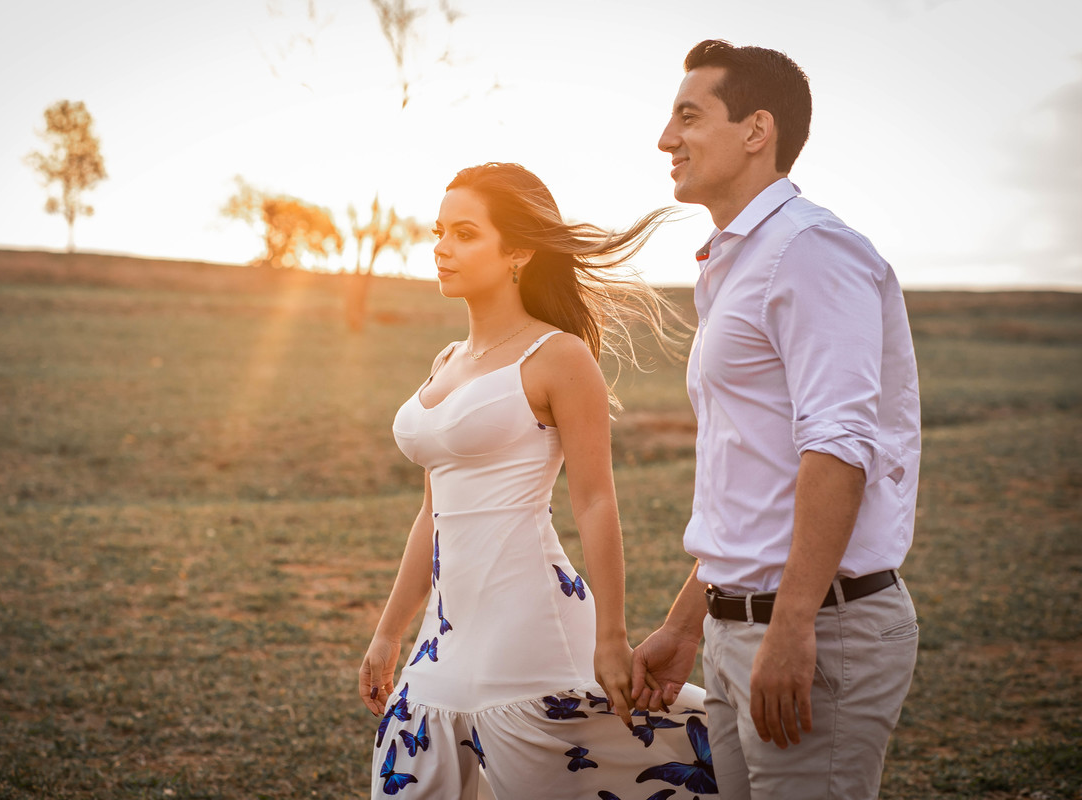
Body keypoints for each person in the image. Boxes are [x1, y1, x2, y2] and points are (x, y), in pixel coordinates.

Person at [360, 162, 720, 799]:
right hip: (443, 635)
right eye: (439, 230)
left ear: (519, 250)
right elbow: (433, 513)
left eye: (465, 233)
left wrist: (611, 634)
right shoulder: (446, 359)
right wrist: (389, 631)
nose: (441, 247)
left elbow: (596, 500)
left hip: (531, 624)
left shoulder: (558, 356)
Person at [630, 39, 922, 800]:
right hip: (737, 629)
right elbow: (751, 474)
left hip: (819, 630)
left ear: (757, 131)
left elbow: (838, 448)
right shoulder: (733, 263)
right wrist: (690, 622)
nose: (666, 138)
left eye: (689, 116)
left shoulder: (810, 252)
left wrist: (794, 625)